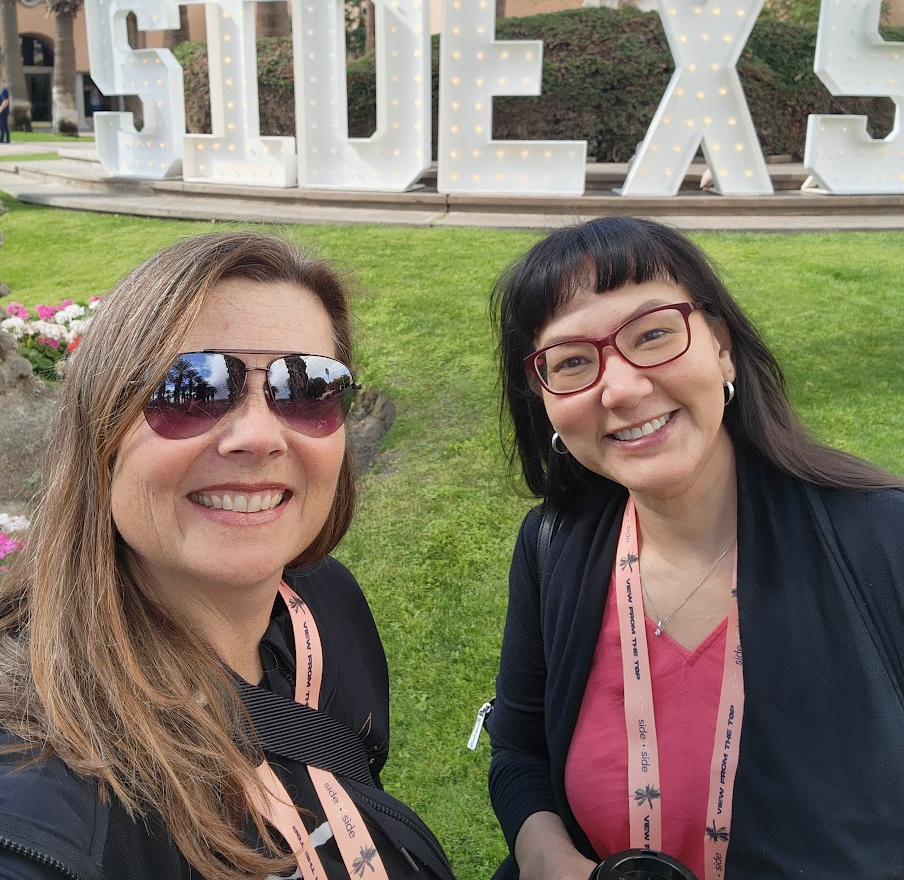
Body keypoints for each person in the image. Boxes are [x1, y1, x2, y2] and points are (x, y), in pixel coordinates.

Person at [0, 230, 455, 880]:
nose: (260, 436)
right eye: (192, 389)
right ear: (100, 430)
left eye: (307, 388)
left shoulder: (327, 605)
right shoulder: (45, 788)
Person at [486, 215, 903, 880]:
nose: (622, 388)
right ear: (544, 400)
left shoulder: (884, 539)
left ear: (722, 347)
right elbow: (520, 750)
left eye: (653, 334)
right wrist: (544, 853)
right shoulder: (551, 546)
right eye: (571, 362)